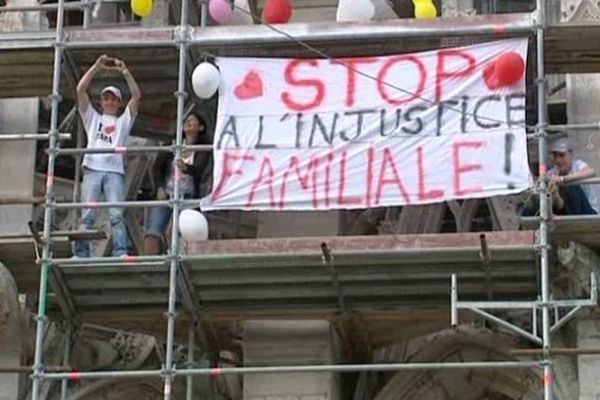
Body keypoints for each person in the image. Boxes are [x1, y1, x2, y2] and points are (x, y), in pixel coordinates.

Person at [72, 54, 141, 257]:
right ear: (101, 102)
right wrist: (96, 67)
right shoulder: (92, 117)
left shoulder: (123, 121)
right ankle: (82, 253)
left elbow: (136, 96)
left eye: (114, 99)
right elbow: (80, 90)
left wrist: (125, 71)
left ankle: (120, 251)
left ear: (119, 103)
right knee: (88, 215)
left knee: (116, 214)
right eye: (106, 98)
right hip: (93, 169)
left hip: (114, 171)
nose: (110, 102)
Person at [144, 113, 210, 255]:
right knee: (152, 233)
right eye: (186, 121)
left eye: (192, 121)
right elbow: (156, 167)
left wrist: (188, 169)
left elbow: (200, 169)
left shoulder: (202, 149)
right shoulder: (174, 144)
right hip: (167, 193)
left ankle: (178, 270)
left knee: (182, 235)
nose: (187, 123)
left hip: (188, 197)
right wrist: (159, 187)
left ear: (201, 127)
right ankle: (151, 269)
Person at [547, 138, 598, 215]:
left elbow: (591, 172)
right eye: (555, 157)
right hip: (567, 212)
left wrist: (563, 179)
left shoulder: (578, 165)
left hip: (588, 211)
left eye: (562, 155)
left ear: (571, 155)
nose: (558, 160)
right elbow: (545, 178)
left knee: (571, 187)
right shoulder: (554, 171)